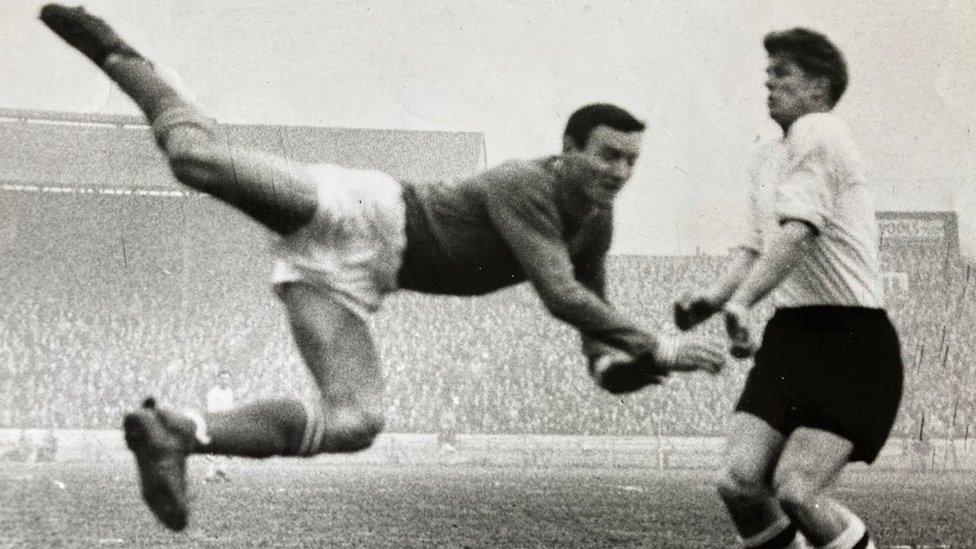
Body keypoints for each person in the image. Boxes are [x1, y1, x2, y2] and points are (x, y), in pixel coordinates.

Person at [39, 4, 726, 532]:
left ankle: (180, 432)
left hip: (361, 282)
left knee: (356, 421)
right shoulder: (528, 185)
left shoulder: (595, 225)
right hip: (361, 210)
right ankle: (128, 61)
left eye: (631, 161)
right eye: (607, 155)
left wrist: (641, 363)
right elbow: (560, 294)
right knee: (196, 161)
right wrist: (659, 342)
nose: (620, 172)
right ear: (567, 148)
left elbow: (599, 354)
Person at [674, 28, 902, 549]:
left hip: (852, 337)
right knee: (737, 483)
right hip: (794, 334)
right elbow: (755, 247)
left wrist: (741, 302)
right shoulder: (764, 157)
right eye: (768, 75)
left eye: (783, 75)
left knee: (797, 490)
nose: (769, 85)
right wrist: (711, 301)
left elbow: (799, 234)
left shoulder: (823, 130)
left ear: (820, 88)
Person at [203, 370, 234, 482]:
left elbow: (230, 410)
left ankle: (221, 471)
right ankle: (209, 474)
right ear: (218, 379)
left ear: (229, 380)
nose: (224, 381)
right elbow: (211, 411)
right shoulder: (213, 393)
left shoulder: (230, 392)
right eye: (222, 378)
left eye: (227, 379)